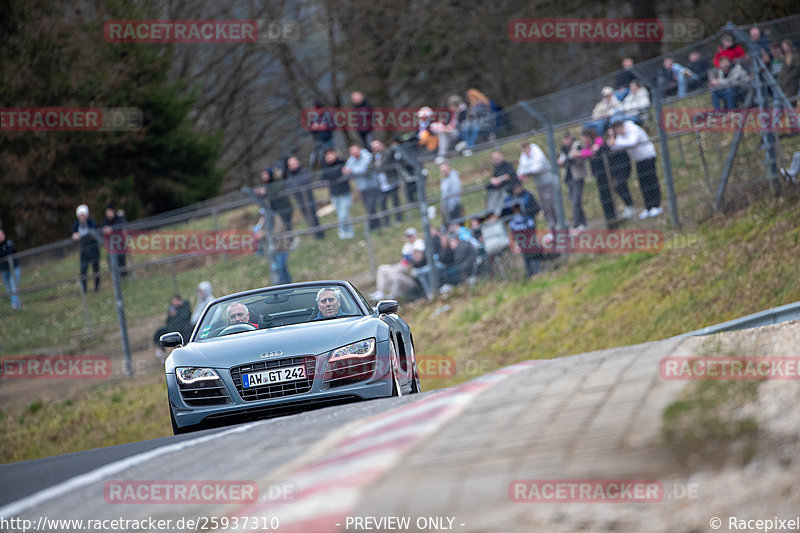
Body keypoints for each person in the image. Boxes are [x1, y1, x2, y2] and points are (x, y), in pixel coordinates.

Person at [607, 118, 663, 220]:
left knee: (651, 181)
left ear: (622, 126)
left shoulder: (633, 129)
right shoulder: (621, 136)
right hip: (638, 159)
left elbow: (631, 142)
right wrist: (612, 139)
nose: (619, 133)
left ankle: (656, 205)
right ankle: (648, 206)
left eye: (619, 130)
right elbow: (614, 147)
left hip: (648, 156)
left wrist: (616, 141)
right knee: (643, 184)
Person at [576, 128, 617, 228]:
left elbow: (593, 151)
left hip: (605, 172)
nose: (584, 140)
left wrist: (580, 153)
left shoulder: (598, 140)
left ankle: (613, 217)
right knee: (603, 197)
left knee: (608, 195)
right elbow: (586, 152)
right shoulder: (588, 146)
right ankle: (609, 218)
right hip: (598, 174)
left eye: (584, 138)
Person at [371, 228, 425, 301]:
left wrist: (408, 259)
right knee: (382, 268)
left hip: (412, 275)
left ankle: (393, 297)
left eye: (411, 236)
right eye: (408, 236)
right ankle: (380, 292)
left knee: (395, 277)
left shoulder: (419, 243)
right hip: (403, 267)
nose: (410, 238)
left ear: (415, 235)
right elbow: (404, 260)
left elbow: (415, 258)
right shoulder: (406, 246)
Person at [518, 141, 558, 232]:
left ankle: (559, 223)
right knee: (545, 206)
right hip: (539, 185)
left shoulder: (536, 152)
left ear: (529, 147)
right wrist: (522, 172)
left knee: (551, 204)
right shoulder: (524, 155)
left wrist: (525, 172)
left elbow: (537, 168)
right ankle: (552, 226)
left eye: (526, 150)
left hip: (547, 182)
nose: (526, 153)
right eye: (524, 151)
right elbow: (521, 168)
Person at [285, 156, 324, 240]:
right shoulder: (289, 176)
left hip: (309, 198)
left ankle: (320, 234)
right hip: (299, 200)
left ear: (298, 163)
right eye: (290, 164)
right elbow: (289, 186)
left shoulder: (304, 171)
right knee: (307, 217)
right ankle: (314, 233)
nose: (293, 166)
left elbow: (307, 180)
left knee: (313, 216)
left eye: (294, 163)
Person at [343, 144, 379, 231]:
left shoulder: (367, 156)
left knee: (372, 206)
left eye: (355, 150)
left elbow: (364, 169)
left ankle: (373, 226)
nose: (354, 153)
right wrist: (349, 171)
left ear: (359, 149)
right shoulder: (351, 160)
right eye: (352, 151)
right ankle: (375, 225)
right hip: (362, 187)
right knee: (368, 207)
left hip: (372, 185)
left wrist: (352, 171)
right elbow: (345, 170)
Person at [254, 167, 295, 241]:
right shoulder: (267, 185)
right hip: (276, 210)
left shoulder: (278, 182)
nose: (263, 177)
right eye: (262, 175)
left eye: (265, 175)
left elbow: (272, 190)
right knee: (280, 227)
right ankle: (285, 241)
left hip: (285, 207)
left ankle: (291, 241)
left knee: (287, 225)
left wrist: (265, 191)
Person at [321, 148, 354, 239]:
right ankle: (348, 233)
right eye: (327, 156)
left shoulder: (342, 163)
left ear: (335, 154)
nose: (329, 157)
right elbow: (324, 178)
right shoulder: (325, 167)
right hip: (334, 194)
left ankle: (342, 230)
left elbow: (347, 173)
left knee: (343, 213)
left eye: (330, 154)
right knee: (342, 214)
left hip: (345, 192)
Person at [605, 128, 636, 220]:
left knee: (621, 185)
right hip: (615, 169)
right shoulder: (607, 142)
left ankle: (630, 206)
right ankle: (628, 206)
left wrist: (613, 143)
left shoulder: (620, 140)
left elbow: (619, 145)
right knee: (617, 187)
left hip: (623, 167)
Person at [372, 139, 403, 226]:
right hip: (381, 185)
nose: (376, 148)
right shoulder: (373, 157)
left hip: (391, 182)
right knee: (382, 204)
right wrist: (376, 166)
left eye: (377, 145)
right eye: (374, 147)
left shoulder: (388, 152)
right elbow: (370, 167)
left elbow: (384, 165)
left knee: (395, 202)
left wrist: (377, 166)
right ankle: (386, 222)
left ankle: (398, 219)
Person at [153, 293, 192, 361]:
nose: (174, 303)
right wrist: (171, 315)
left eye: (176, 301)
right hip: (170, 328)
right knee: (159, 332)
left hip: (182, 328)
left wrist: (177, 313)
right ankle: (161, 350)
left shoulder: (185, 306)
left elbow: (186, 316)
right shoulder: (172, 308)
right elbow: (168, 321)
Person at [71, 204, 101, 293]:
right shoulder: (77, 224)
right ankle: (84, 289)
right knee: (83, 269)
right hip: (84, 249)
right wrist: (75, 235)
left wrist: (82, 236)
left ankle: (97, 286)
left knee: (95, 268)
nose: (81, 217)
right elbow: (74, 234)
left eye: (83, 215)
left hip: (93, 248)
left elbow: (92, 232)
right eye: (80, 215)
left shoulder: (91, 222)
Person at [507, 201, 540, 278]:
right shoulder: (512, 220)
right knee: (526, 257)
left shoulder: (526, 216)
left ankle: (537, 272)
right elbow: (513, 230)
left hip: (529, 237)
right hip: (521, 239)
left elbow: (531, 226)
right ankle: (530, 274)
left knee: (535, 254)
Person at [432, 95, 467, 163]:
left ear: (456, 105)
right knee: (442, 134)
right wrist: (446, 127)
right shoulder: (451, 112)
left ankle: (442, 155)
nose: (450, 108)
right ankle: (441, 155)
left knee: (444, 134)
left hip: (459, 132)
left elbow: (461, 124)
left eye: (452, 106)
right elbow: (449, 123)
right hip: (451, 131)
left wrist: (450, 128)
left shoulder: (463, 111)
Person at [565, 134, 588, 231]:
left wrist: (573, 157)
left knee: (576, 202)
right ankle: (583, 223)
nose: (565, 142)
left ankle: (576, 224)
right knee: (575, 202)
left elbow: (581, 158)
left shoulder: (577, 145)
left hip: (577, 177)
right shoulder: (565, 148)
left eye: (566, 139)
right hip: (569, 178)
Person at [460, 88, 493, 154]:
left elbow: (479, 112)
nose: (469, 98)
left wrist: (471, 113)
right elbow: (472, 115)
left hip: (485, 122)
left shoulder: (482, 102)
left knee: (475, 128)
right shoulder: (472, 104)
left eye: (469, 97)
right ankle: (466, 144)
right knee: (464, 127)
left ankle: (470, 147)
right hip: (476, 122)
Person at [486, 150, 519, 214]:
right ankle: (490, 213)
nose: (496, 160)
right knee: (491, 192)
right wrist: (492, 180)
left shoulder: (508, 165)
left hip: (508, 187)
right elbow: (494, 177)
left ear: (502, 156)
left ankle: (497, 213)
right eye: (495, 159)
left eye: (497, 159)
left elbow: (508, 176)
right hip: (498, 188)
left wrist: (499, 179)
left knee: (501, 195)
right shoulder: (497, 167)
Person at [101, 202, 128, 276]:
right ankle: (115, 275)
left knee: (121, 259)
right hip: (111, 244)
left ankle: (123, 274)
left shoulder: (119, 218)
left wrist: (112, 229)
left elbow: (121, 227)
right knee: (111, 260)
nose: (108, 213)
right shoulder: (105, 221)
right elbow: (102, 230)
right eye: (107, 212)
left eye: (109, 211)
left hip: (120, 242)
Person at [308, 99, 334, 170]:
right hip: (319, 141)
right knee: (321, 159)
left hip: (328, 139)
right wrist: (314, 128)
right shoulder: (313, 117)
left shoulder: (328, 115)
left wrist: (325, 126)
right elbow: (310, 128)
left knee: (331, 157)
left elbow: (333, 126)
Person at [0, 229, 21, 310]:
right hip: (4, 270)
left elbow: (9, 252)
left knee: (13, 285)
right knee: (8, 289)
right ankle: (16, 304)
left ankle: (15, 304)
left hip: (13, 268)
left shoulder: (9, 243)